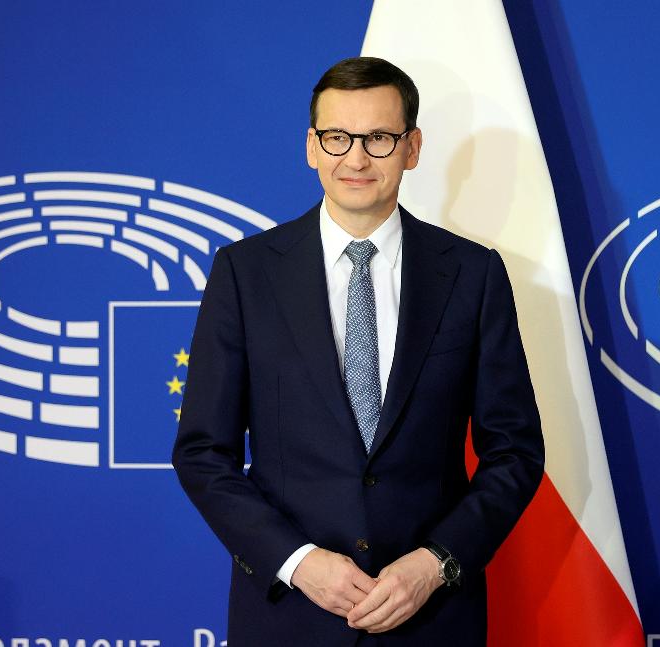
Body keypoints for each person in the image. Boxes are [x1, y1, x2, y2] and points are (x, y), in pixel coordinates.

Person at [172, 56, 544, 646]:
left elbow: (514, 452)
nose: (356, 158)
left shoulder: (473, 275)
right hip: (289, 618)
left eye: (378, 138)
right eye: (337, 137)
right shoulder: (245, 273)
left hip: (432, 619)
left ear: (412, 148)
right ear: (311, 147)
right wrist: (297, 562)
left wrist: (436, 563)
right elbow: (202, 453)